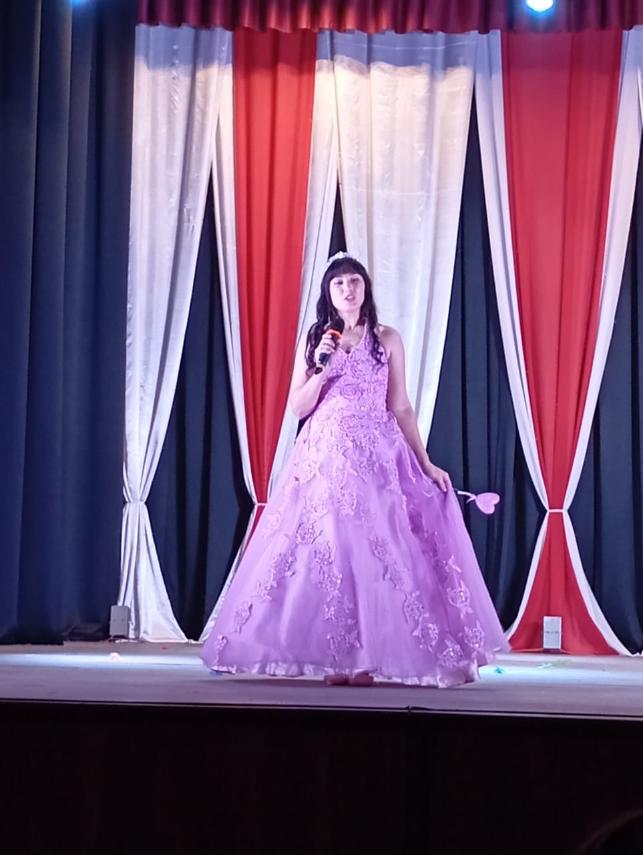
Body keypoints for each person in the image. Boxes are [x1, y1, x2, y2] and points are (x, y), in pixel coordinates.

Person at [201, 253, 508, 686]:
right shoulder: (315, 339)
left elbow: (400, 405)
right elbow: (298, 407)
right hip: (324, 460)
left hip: (377, 459)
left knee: (377, 555)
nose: (348, 289)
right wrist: (321, 369)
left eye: (354, 281)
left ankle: (367, 659)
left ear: (365, 287)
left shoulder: (386, 338)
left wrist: (425, 462)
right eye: (339, 283)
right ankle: (337, 659)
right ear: (328, 293)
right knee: (327, 556)